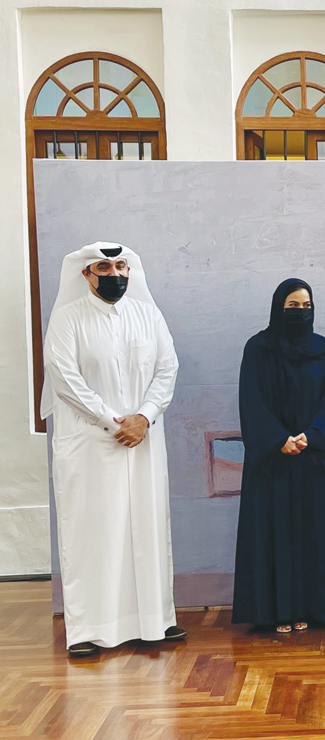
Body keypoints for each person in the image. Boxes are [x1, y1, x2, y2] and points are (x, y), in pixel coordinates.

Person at [42, 242, 183, 657]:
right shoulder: (68, 319)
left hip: (143, 438)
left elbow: (167, 368)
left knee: (147, 527)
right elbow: (65, 378)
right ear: (87, 274)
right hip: (91, 443)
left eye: (121, 265)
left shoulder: (147, 314)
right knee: (93, 531)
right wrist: (112, 420)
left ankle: (154, 622)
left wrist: (144, 416)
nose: (115, 273)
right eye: (105, 266)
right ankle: (88, 629)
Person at [232, 279, 325, 633]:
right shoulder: (258, 348)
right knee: (271, 534)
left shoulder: (321, 348)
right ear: (279, 307)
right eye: (292, 306)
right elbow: (251, 401)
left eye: (305, 306)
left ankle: (310, 610)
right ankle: (274, 612)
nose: (300, 312)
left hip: (309, 457)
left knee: (310, 536)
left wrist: (311, 436)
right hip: (271, 462)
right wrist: (279, 439)